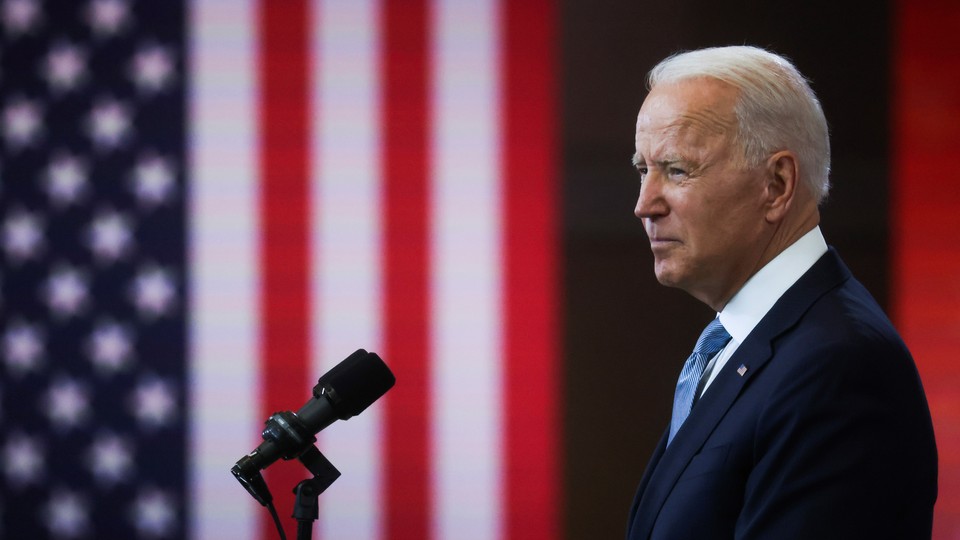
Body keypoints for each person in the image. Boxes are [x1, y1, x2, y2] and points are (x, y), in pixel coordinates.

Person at [626, 45, 937, 539]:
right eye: (644, 170)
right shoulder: (750, 344)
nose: (645, 205)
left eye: (677, 169)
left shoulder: (841, 367)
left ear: (776, 183)